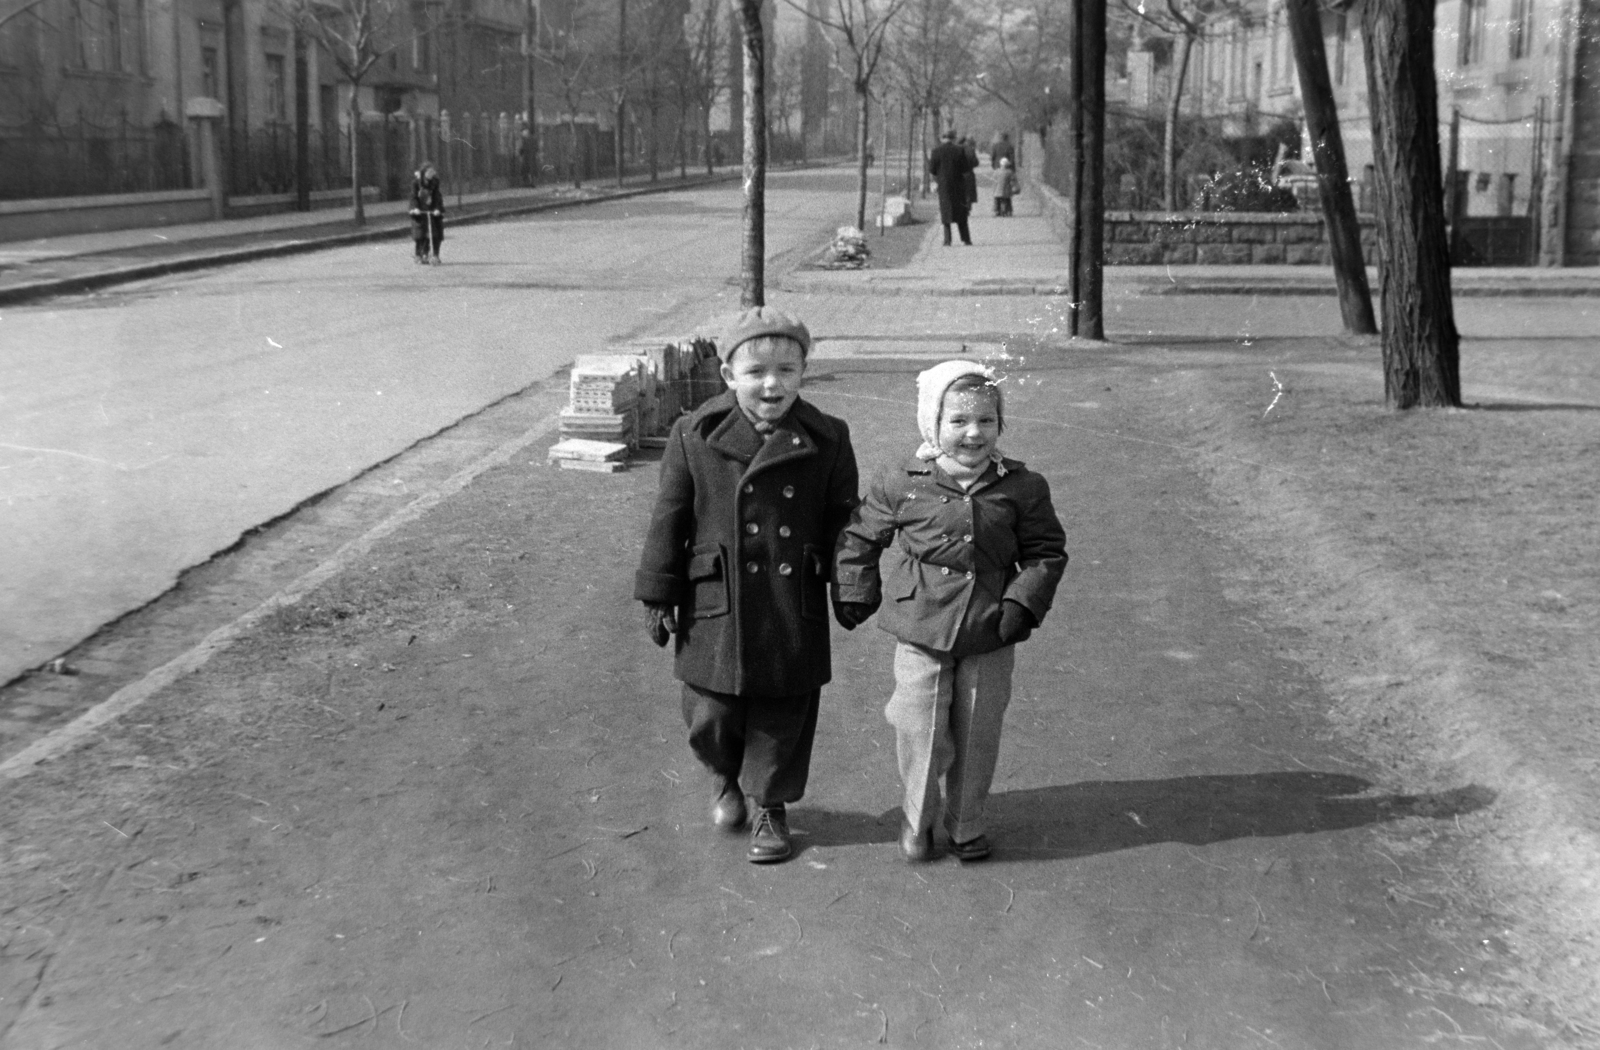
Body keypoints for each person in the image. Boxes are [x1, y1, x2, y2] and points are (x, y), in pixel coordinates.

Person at [635, 307, 861, 865]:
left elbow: (844, 520)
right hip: (718, 597)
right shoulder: (695, 433)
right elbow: (670, 516)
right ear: (728, 375)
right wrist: (659, 590)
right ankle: (722, 774)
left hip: (790, 599)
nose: (771, 384)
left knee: (783, 712)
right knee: (710, 711)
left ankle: (770, 806)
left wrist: (851, 584)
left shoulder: (828, 436)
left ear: (804, 373)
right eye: (756, 370)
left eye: (787, 370)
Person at [834, 361, 1067, 864]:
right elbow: (859, 536)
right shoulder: (904, 481)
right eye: (958, 420)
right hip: (921, 624)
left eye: (986, 419)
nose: (973, 433)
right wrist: (855, 588)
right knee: (919, 726)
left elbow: (1046, 551)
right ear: (932, 424)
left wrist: (1021, 603)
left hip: (990, 627)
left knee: (979, 727)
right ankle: (918, 819)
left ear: (1000, 424)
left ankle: (966, 822)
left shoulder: (1023, 486)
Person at [927, 130, 977, 246]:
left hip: (944, 186)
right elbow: (965, 168)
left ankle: (947, 240)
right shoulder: (959, 150)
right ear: (953, 138)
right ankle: (966, 239)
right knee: (961, 213)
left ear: (942, 139)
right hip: (958, 185)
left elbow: (932, 170)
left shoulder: (936, 151)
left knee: (946, 212)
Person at [409, 163, 444, 265]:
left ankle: (435, 255)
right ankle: (419, 254)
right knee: (420, 234)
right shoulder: (416, 183)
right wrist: (415, 208)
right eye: (429, 172)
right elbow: (413, 197)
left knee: (435, 234)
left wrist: (438, 208)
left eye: (433, 172)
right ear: (424, 172)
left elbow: (437, 196)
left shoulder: (435, 182)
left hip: (432, 211)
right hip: (420, 211)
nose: (431, 174)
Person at [962, 137, 981, 207]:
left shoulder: (957, 149)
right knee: (969, 190)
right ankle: (968, 202)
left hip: (959, 173)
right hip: (969, 172)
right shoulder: (971, 150)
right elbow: (976, 163)